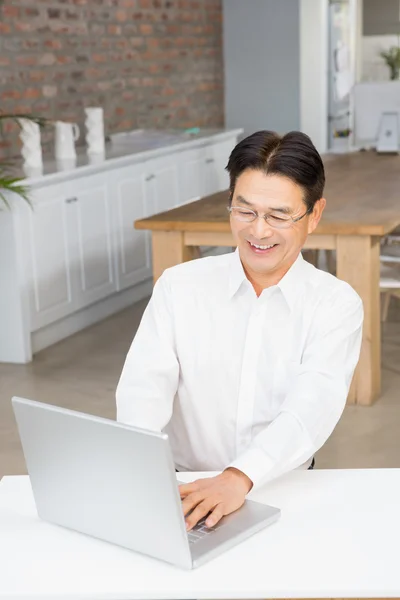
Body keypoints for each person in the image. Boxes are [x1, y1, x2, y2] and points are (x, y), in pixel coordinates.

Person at [116, 130, 363, 531]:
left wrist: (239, 476)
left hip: (283, 486)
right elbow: (143, 388)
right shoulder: (180, 286)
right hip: (184, 487)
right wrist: (141, 469)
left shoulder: (335, 303)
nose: (258, 231)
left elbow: (311, 408)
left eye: (279, 215)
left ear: (314, 214)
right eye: (245, 211)